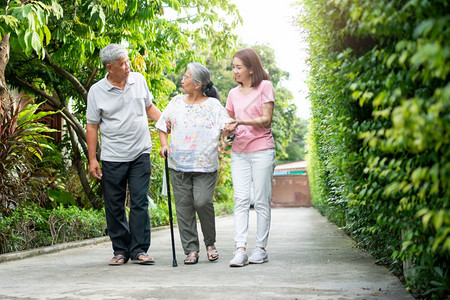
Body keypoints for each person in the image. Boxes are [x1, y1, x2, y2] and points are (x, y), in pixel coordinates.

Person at [86, 43, 162, 265]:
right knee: (114, 204)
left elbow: (150, 108)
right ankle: (120, 250)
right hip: (113, 156)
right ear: (110, 67)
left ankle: (139, 249)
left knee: (139, 201)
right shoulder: (97, 91)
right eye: (122, 64)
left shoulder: (138, 80)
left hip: (140, 152)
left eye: (127, 61)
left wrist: (168, 122)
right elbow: (92, 126)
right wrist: (92, 159)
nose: (128, 66)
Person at [156, 62, 232, 265]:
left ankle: (210, 243)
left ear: (197, 84)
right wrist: (164, 145)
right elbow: (162, 125)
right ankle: (191, 250)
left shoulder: (214, 105)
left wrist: (228, 130)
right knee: (184, 207)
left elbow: (227, 125)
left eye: (187, 77)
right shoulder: (176, 102)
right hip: (178, 165)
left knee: (202, 202)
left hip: (205, 165)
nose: (182, 79)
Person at [224, 48, 276, 267]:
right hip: (240, 152)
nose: (234, 71)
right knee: (241, 200)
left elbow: (266, 120)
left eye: (238, 67)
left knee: (261, 200)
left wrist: (240, 122)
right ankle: (240, 249)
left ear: (251, 68)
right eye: (233, 67)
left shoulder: (265, 86)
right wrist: (227, 130)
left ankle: (260, 249)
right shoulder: (232, 94)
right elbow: (227, 123)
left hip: (262, 149)